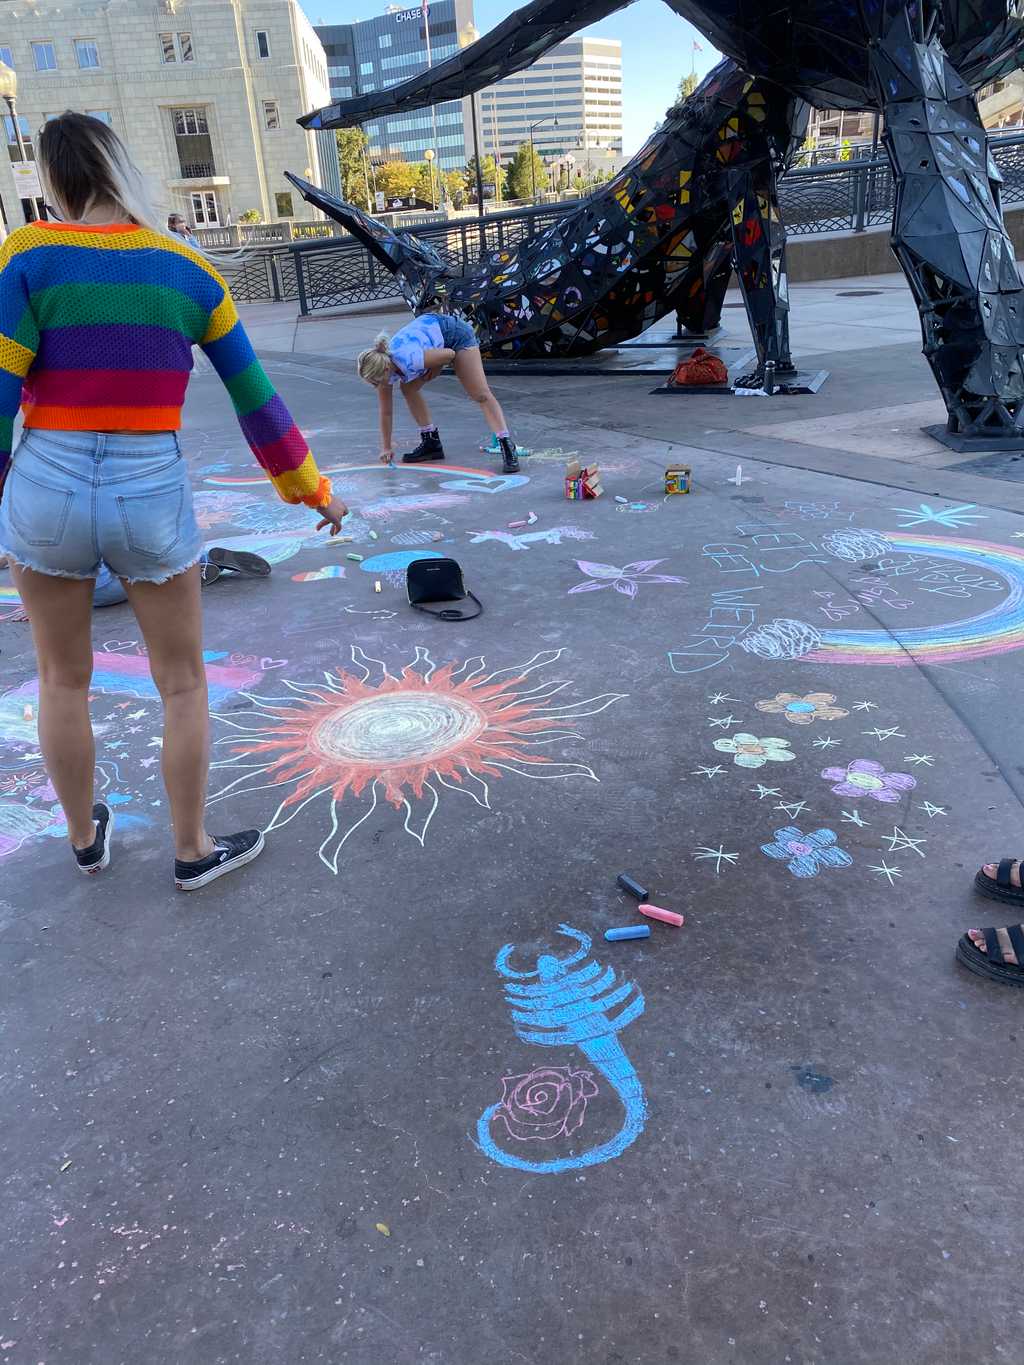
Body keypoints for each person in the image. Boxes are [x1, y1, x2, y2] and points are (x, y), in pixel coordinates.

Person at [0, 112, 348, 890]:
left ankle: (85, 839)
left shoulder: (27, 255)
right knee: (182, 680)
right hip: (148, 485)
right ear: (124, 169)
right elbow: (256, 399)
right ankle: (191, 850)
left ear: (54, 180)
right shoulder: (189, 271)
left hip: (46, 481)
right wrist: (311, 490)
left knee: (62, 677)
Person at [355, 314, 521, 474]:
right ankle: (431, 441)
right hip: (431, 337)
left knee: (479, 394)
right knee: (408, 388)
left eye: (376, 381)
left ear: (385, 369)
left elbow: (449, 354)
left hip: (454, 335)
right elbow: (386, 412)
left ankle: (506, 444)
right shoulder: (383, 368)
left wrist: (436, 366)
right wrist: (386, 447)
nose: (375, 385)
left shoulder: (411, 359)